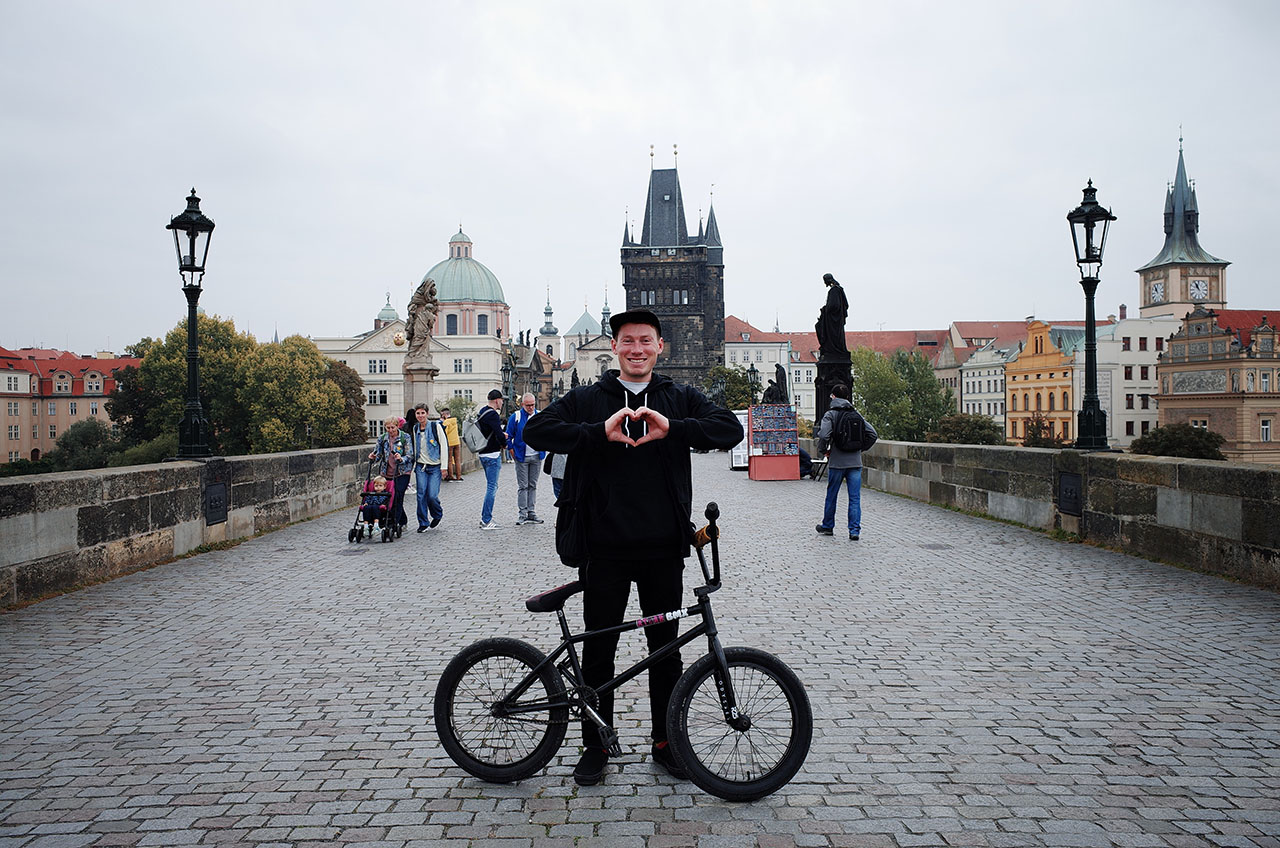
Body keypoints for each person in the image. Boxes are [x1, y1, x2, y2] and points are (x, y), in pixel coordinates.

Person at [523, 308, 744, 787]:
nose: (637, 349)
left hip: (663, 546)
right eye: (628, 341)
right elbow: (534, 431)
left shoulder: (678, 396)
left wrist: (676, 428)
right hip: (602, 546)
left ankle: (666, 744)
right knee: (599, 651)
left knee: (665, 652)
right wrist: (596, 433)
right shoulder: (587, 398)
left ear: (659, 347)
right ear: (616, 347)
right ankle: (594, 745)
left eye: (646, 341)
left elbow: (730, 429)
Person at [814, 383, 876, 540]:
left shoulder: (830, 415)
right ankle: (854, 530)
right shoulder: (856, 414)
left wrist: (824, 451)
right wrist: (860, 449)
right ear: (848, 397)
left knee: (832, 494)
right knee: (854, 498)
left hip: (837, 462)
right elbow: (872, 434)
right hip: (855, 463)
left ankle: (828, 526)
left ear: (833, 397)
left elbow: (823, 436)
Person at [506, 393, 545, 525]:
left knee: (532, 485)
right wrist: (512, 451)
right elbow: (508, 435)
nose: (531, 407)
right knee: (523, 486)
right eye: (528, 405)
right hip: (522, 456)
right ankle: (522, 514)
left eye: (533, 405)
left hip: (536, 455)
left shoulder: (539, 416)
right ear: (522, 404)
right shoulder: (516, 417)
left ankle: (531, 512)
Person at [370, 416, 412, 534]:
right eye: (387, 428)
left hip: (402, 472)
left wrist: (401, 458)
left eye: (392, 427)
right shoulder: (382, 438)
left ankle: (393, 523)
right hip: (386, 472)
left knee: (398, 496)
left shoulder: (405, 437)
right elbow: (378, 453)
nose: (390, 430)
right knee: (390, 498)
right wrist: (373, 457)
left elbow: (410, 455)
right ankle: (402, 520)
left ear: (397, 426)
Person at [410, 404, 447, 532]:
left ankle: (437, 514)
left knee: (432, 495)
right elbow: (415, 447)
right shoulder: (416, 428)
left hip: (435, 466)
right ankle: (423, 522)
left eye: (422, 413)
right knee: (421, 494)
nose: (420, 416)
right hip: (421, 466)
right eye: (418, 413)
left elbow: (444, 446)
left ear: (427, 413)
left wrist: (444, 467)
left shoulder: (435, 426)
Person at [476, 389, 508, 530]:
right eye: (501, 400)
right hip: (492, 454)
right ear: (497, 400)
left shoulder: (482, 411)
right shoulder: (493, 415)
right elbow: (498, 434)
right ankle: (486, 519)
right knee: (492, 487)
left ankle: (485, 518)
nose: (502, 403)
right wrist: (504, 441)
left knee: (490, 486)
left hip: (483, 453)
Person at [815, 272, 849, 361]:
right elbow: (845, 304)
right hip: (836, 319)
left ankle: (829, 348)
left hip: (833, 320)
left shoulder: (834, 290)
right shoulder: (839, 289)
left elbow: (834, 305)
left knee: (819, 327)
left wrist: (825, 309)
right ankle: (828, 347)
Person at [440, 407, 462, 481]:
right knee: (457, 459)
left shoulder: (446, 422)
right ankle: (459, 476)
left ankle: (451, 476)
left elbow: (445, 432)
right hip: (457, 441)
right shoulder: (454, 420)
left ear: (444, 414)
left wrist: (442, 422)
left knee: (449, 460)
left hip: (449, 442)